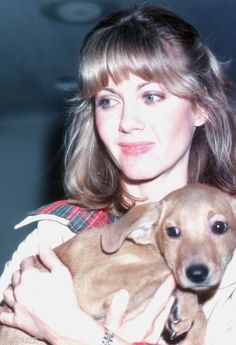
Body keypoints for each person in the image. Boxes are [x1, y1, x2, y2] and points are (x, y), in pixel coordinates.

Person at [0, 3, 236, 345]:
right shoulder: (53, 234)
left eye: (151, 96)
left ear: (200, 107)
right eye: (108, 101)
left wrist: (77, 334)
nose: (127, 123)